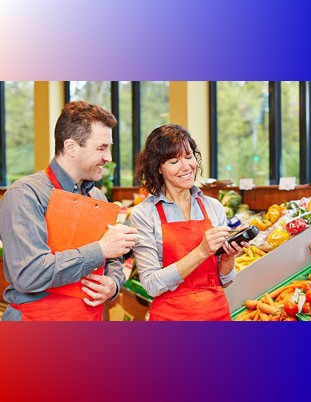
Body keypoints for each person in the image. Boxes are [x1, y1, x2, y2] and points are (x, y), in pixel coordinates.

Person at [0, 101, 139, 321]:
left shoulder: (98, 197)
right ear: (71, 147)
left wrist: (113, 284)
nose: (109, 157)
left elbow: (113, 259)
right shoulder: (25, 194)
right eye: (101, 148)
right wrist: (100, 249)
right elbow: (29, 274)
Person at [130, 124, 242, 321]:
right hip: (171, 318)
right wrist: (201, 251)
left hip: (217, 314)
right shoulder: (144, 214)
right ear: (158, 167)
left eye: (189, 157)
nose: (186, 167)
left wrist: (227, 257)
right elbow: (151, 284)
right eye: (174, 161)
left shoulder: (213, 207)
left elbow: (225, 279)